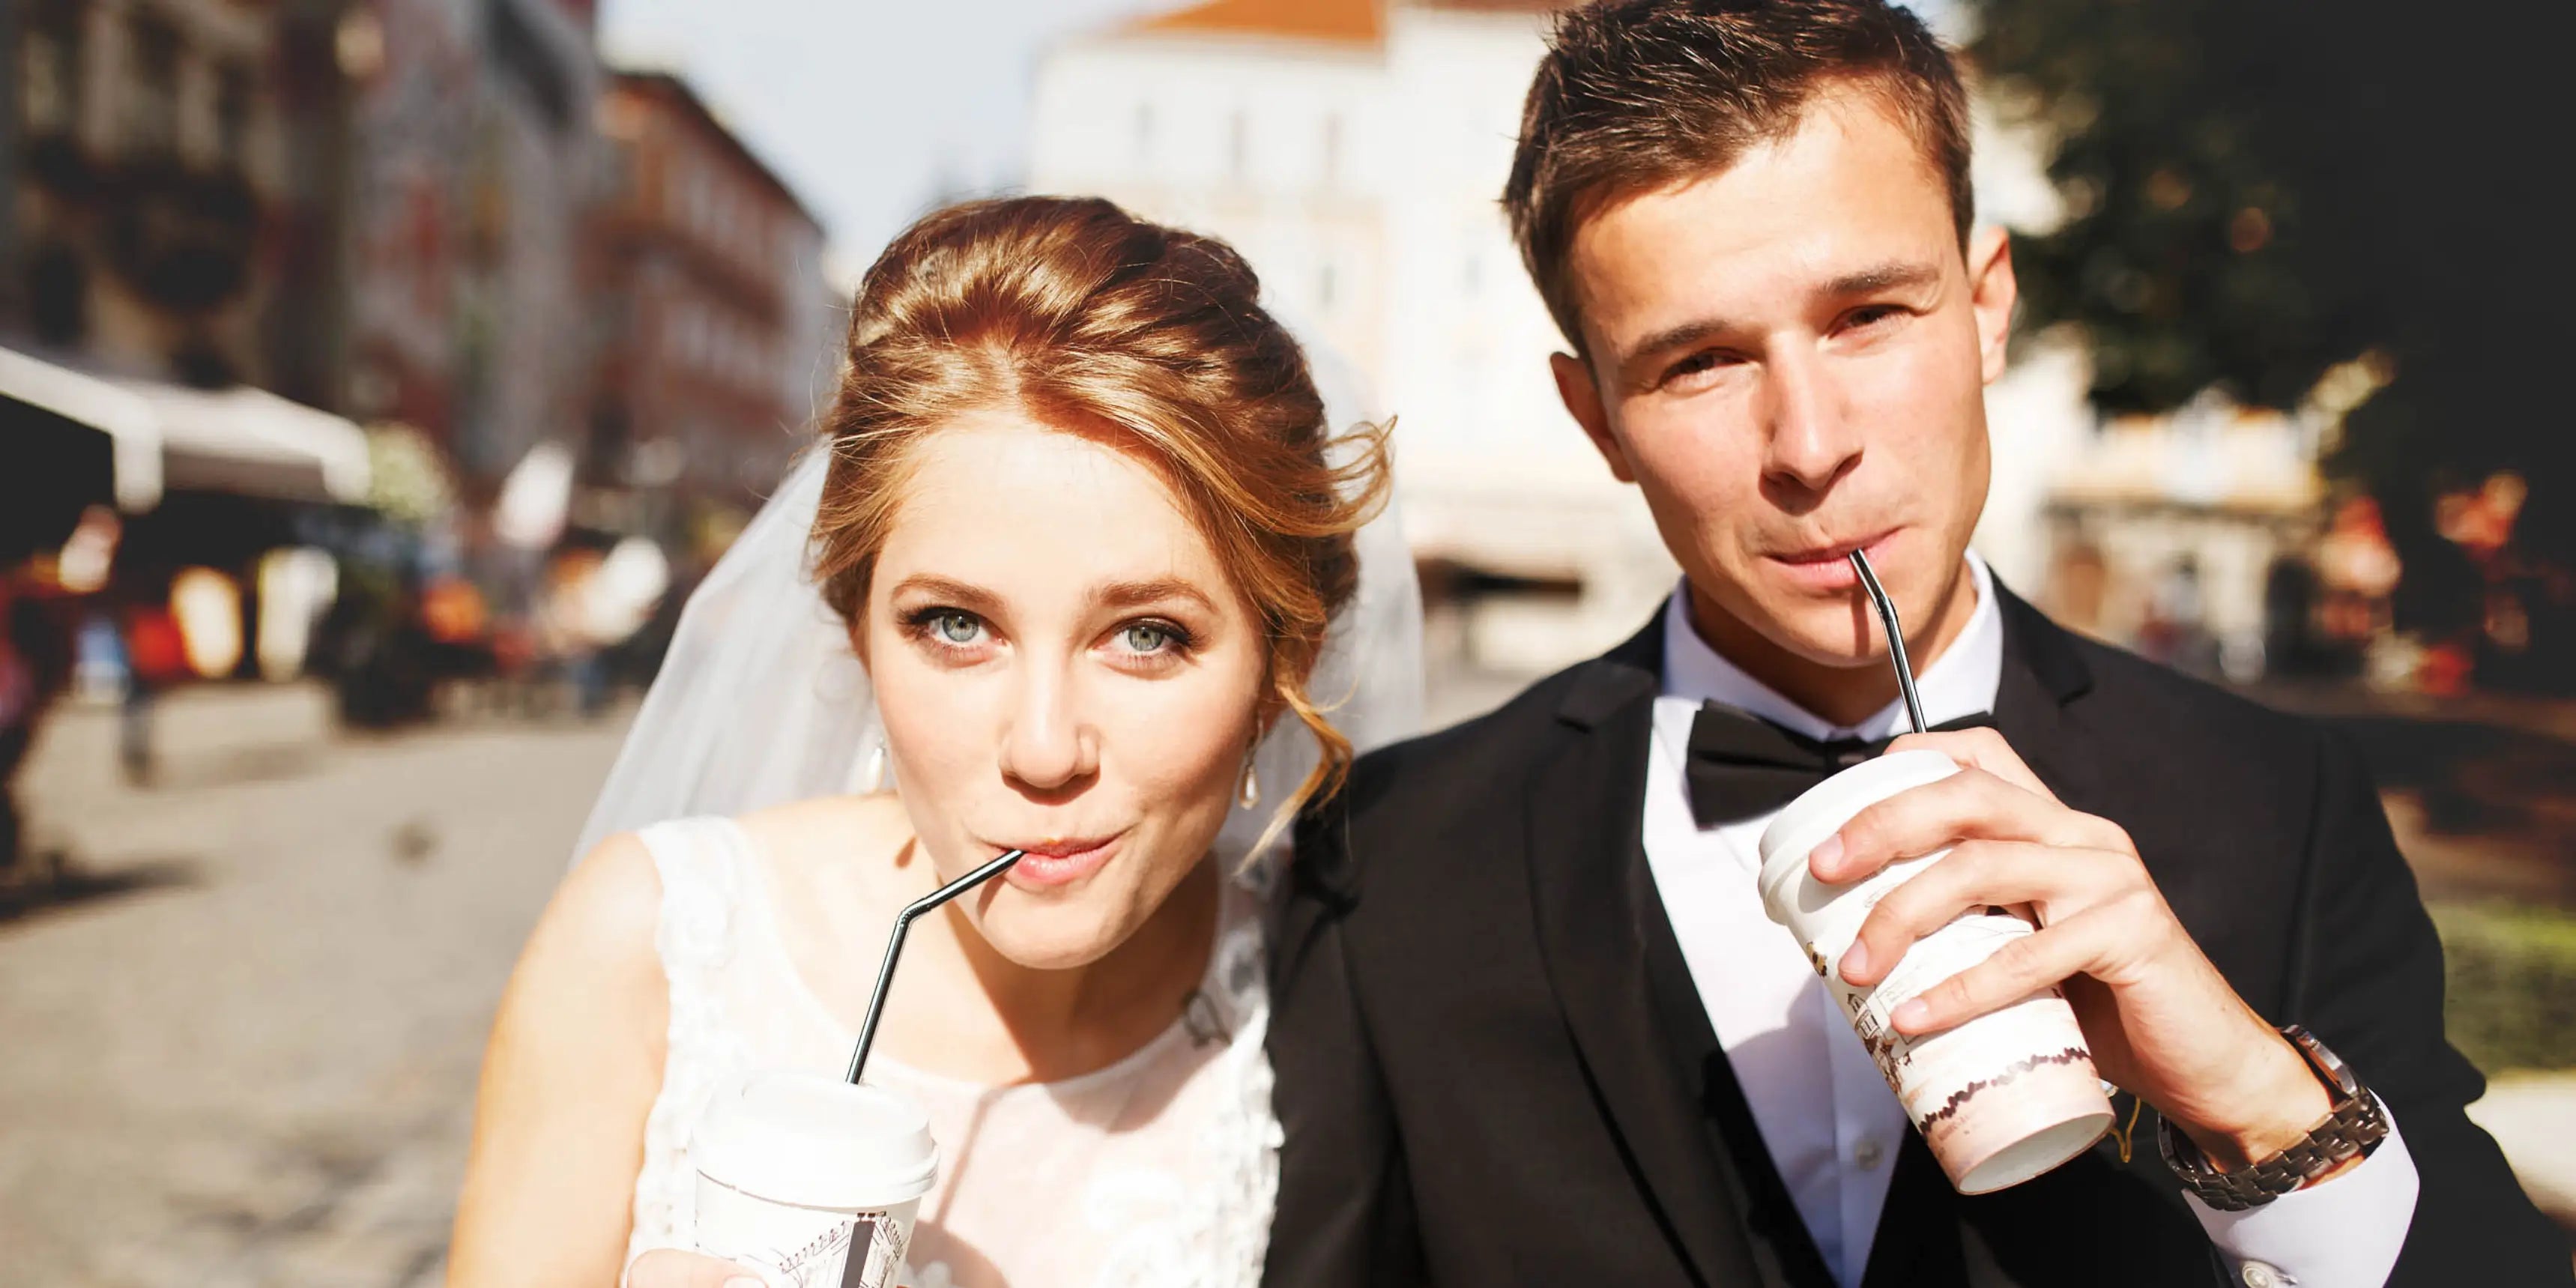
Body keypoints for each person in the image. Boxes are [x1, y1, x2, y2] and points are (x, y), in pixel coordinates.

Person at [1262, 3, 2566, 1286]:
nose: (1808, 445)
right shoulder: (1390, 857)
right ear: (1595, 417)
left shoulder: (2281, 806)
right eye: (1700, 361)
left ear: (1987, 306)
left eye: (1868, 315)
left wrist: (2254, 1099)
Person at [445, 196, 1423, 1288]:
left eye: (1146, 636)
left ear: (1277, 668)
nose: (1044, 751)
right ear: (859, 633)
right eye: (957, 626)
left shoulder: (1338, 987)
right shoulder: (650, 948)